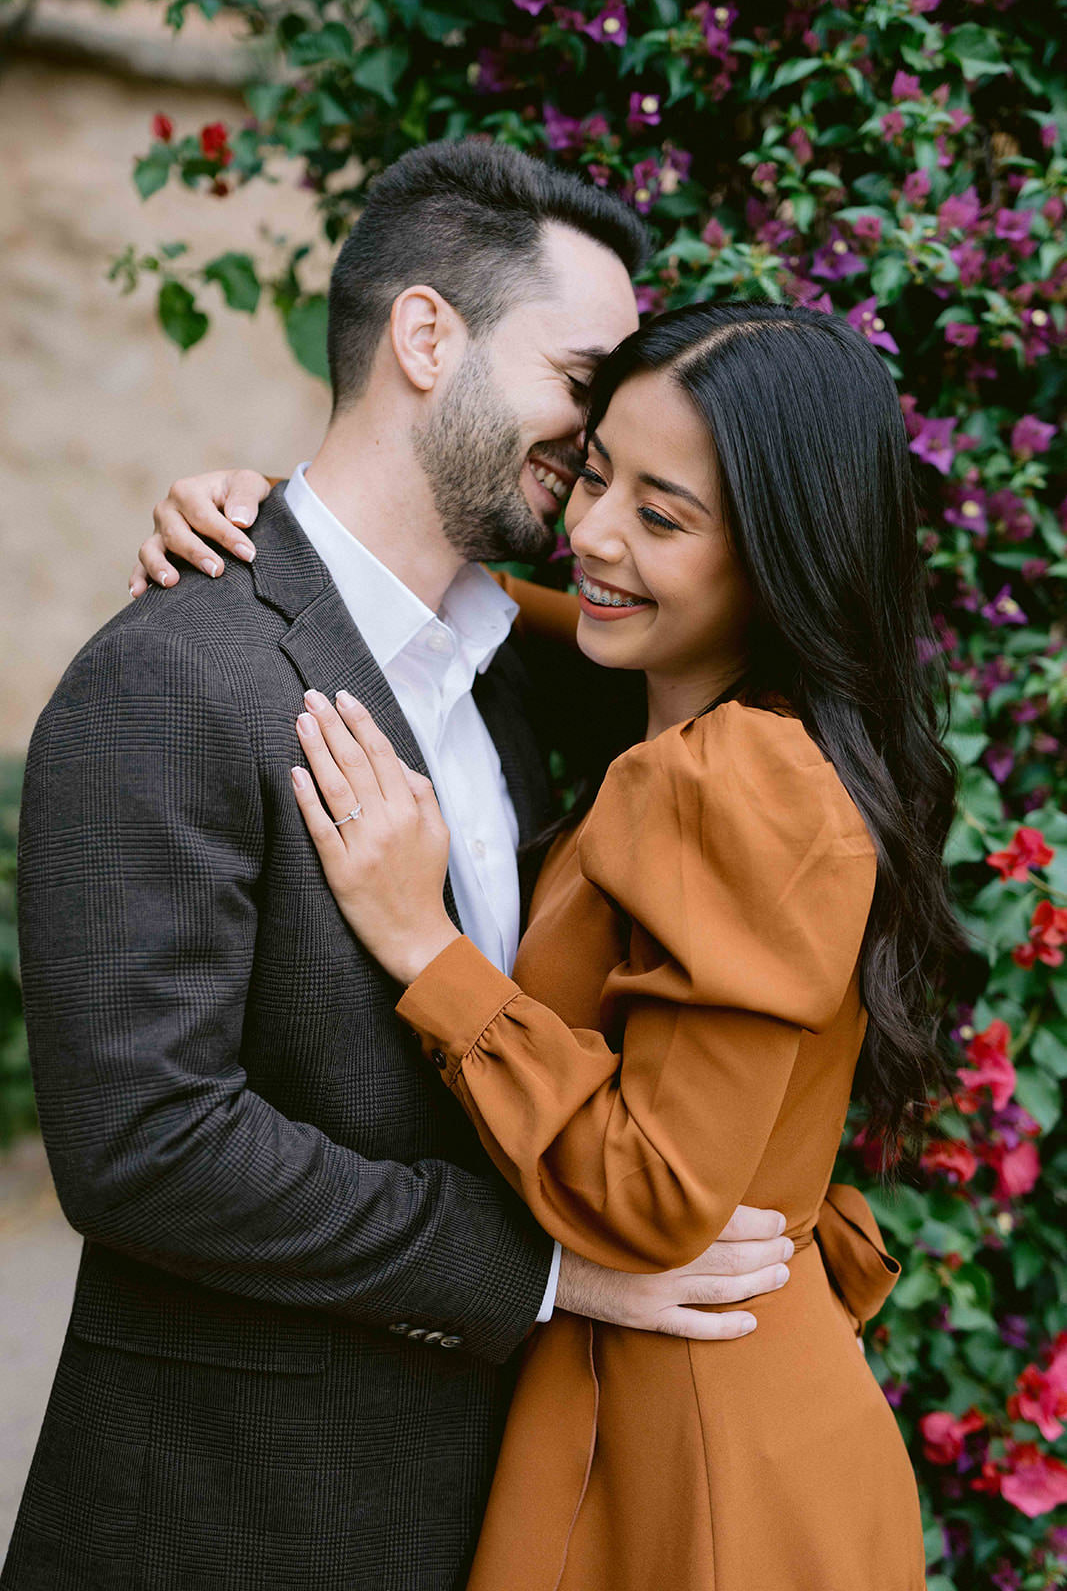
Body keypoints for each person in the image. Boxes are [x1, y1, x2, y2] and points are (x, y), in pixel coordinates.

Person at [4, 144, 880, 1591]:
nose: (595, 457)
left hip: (503, 1504)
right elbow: (147, 1144)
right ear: (428, 337)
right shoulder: (168, 677)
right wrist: (540, 1273)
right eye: (581, 382)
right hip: (247, 1522)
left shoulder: (559, 677)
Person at [145, 301, 958, 1589]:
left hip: (689, 1463)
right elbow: (514, 604)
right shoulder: (724, 723)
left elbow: (653, 1200)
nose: (590, 535)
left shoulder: (732, 783)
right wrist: (291, 536)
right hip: (696, 1404)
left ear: (783, 563)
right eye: (595, 473)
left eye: (663, 515)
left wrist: (426, 948)